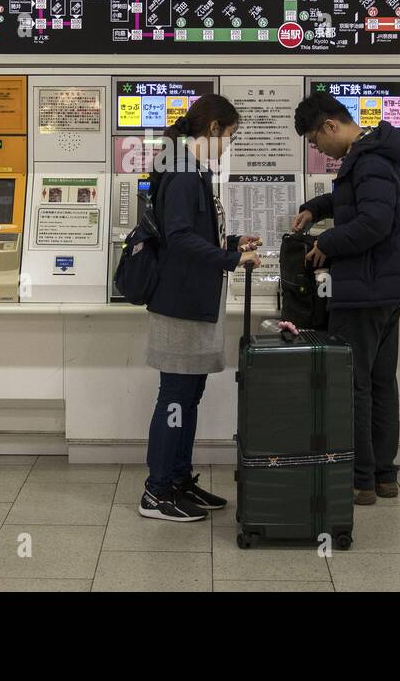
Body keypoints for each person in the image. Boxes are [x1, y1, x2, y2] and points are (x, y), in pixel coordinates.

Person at [292, 93, 400, 505]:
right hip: (384, 288)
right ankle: (383, 476)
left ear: (330, 126)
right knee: (381, 383)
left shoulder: (368, 161)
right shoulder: (370, 158)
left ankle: (360, 479)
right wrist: (317, 207)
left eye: (314, 140)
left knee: (356, 386)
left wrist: (327, 242)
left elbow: (373, 222)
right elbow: (355, 203)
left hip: (364, 290)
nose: (316, 149)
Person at [140, 94, 261, 522]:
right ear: (212, 129)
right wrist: (232, 259)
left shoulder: (190, 170)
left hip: (192, 302)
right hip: (179, 305)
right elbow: (179, 238)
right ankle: (156, 492)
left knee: (188, 397)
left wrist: (232, 243)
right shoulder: (184, 173)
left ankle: (176, 480)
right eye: (228, 136)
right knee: (175, 397)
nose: (227, 145)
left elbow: (195, 236)